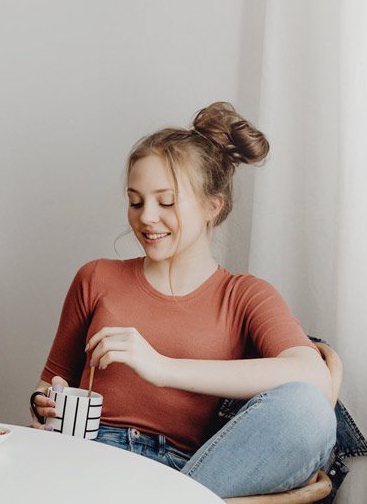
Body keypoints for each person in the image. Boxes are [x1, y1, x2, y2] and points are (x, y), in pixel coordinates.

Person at [31, 103, 336, 498]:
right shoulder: (96, 278)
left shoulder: (244, 295)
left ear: (213, 206)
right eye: (136, 202)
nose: (146, 218)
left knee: (308, 410)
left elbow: (314, 377)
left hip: (187, 474)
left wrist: (162, 368)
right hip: (89, 457)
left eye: (166, 202)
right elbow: (48, 385)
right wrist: (42, 402)